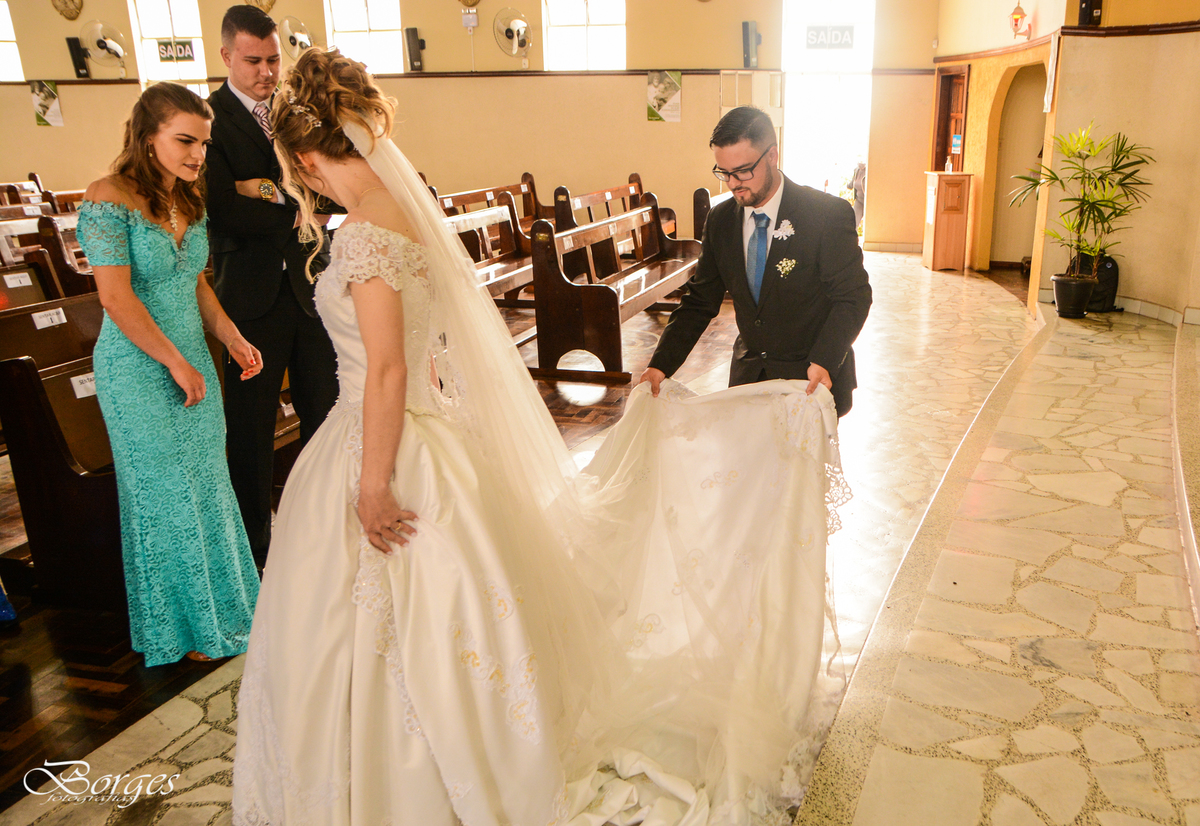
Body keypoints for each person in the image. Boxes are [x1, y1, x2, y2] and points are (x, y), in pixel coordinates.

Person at [234, 49, 848, 826]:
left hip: (379, 437)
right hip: (427, 431)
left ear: (303, 154)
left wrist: (373, 482)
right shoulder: (407, 214)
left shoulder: (362, 234)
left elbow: (387, 369)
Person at [76, 82, 262, 666]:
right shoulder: (107, 197)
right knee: (165, 493)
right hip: (137, 368)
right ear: (147, 135)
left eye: (204, 143)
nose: (198, 155)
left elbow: (194, 282)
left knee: (207, 484)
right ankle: (180, 628)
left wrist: (230, 336)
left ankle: (226, 613)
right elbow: (115, 298)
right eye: (186, 141)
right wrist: (173, 360)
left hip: (192, 362)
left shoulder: (188, 196)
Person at [206, 5, 339, 567]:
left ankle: (323, 536)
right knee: (251, 429)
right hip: (250, 297)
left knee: (326, 412)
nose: (266, 72)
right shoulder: (210, 119)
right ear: (226, 56)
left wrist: (262, 190)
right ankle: (254, 550)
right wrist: (293, 208)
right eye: (252, 61)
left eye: (273, 60)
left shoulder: (295, 111)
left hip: (310, 288)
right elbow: (221, 209)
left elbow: (328, 191)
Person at [640, 106, 873, 417]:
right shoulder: (721, 220)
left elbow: (853, 297)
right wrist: (660, 364)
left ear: (772, 156)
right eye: (724, 173)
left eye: (743, 171)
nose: (733, 183)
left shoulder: (825, 215)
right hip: (749, 379)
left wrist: (824, 360)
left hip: (811, 379)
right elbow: (700, 301)